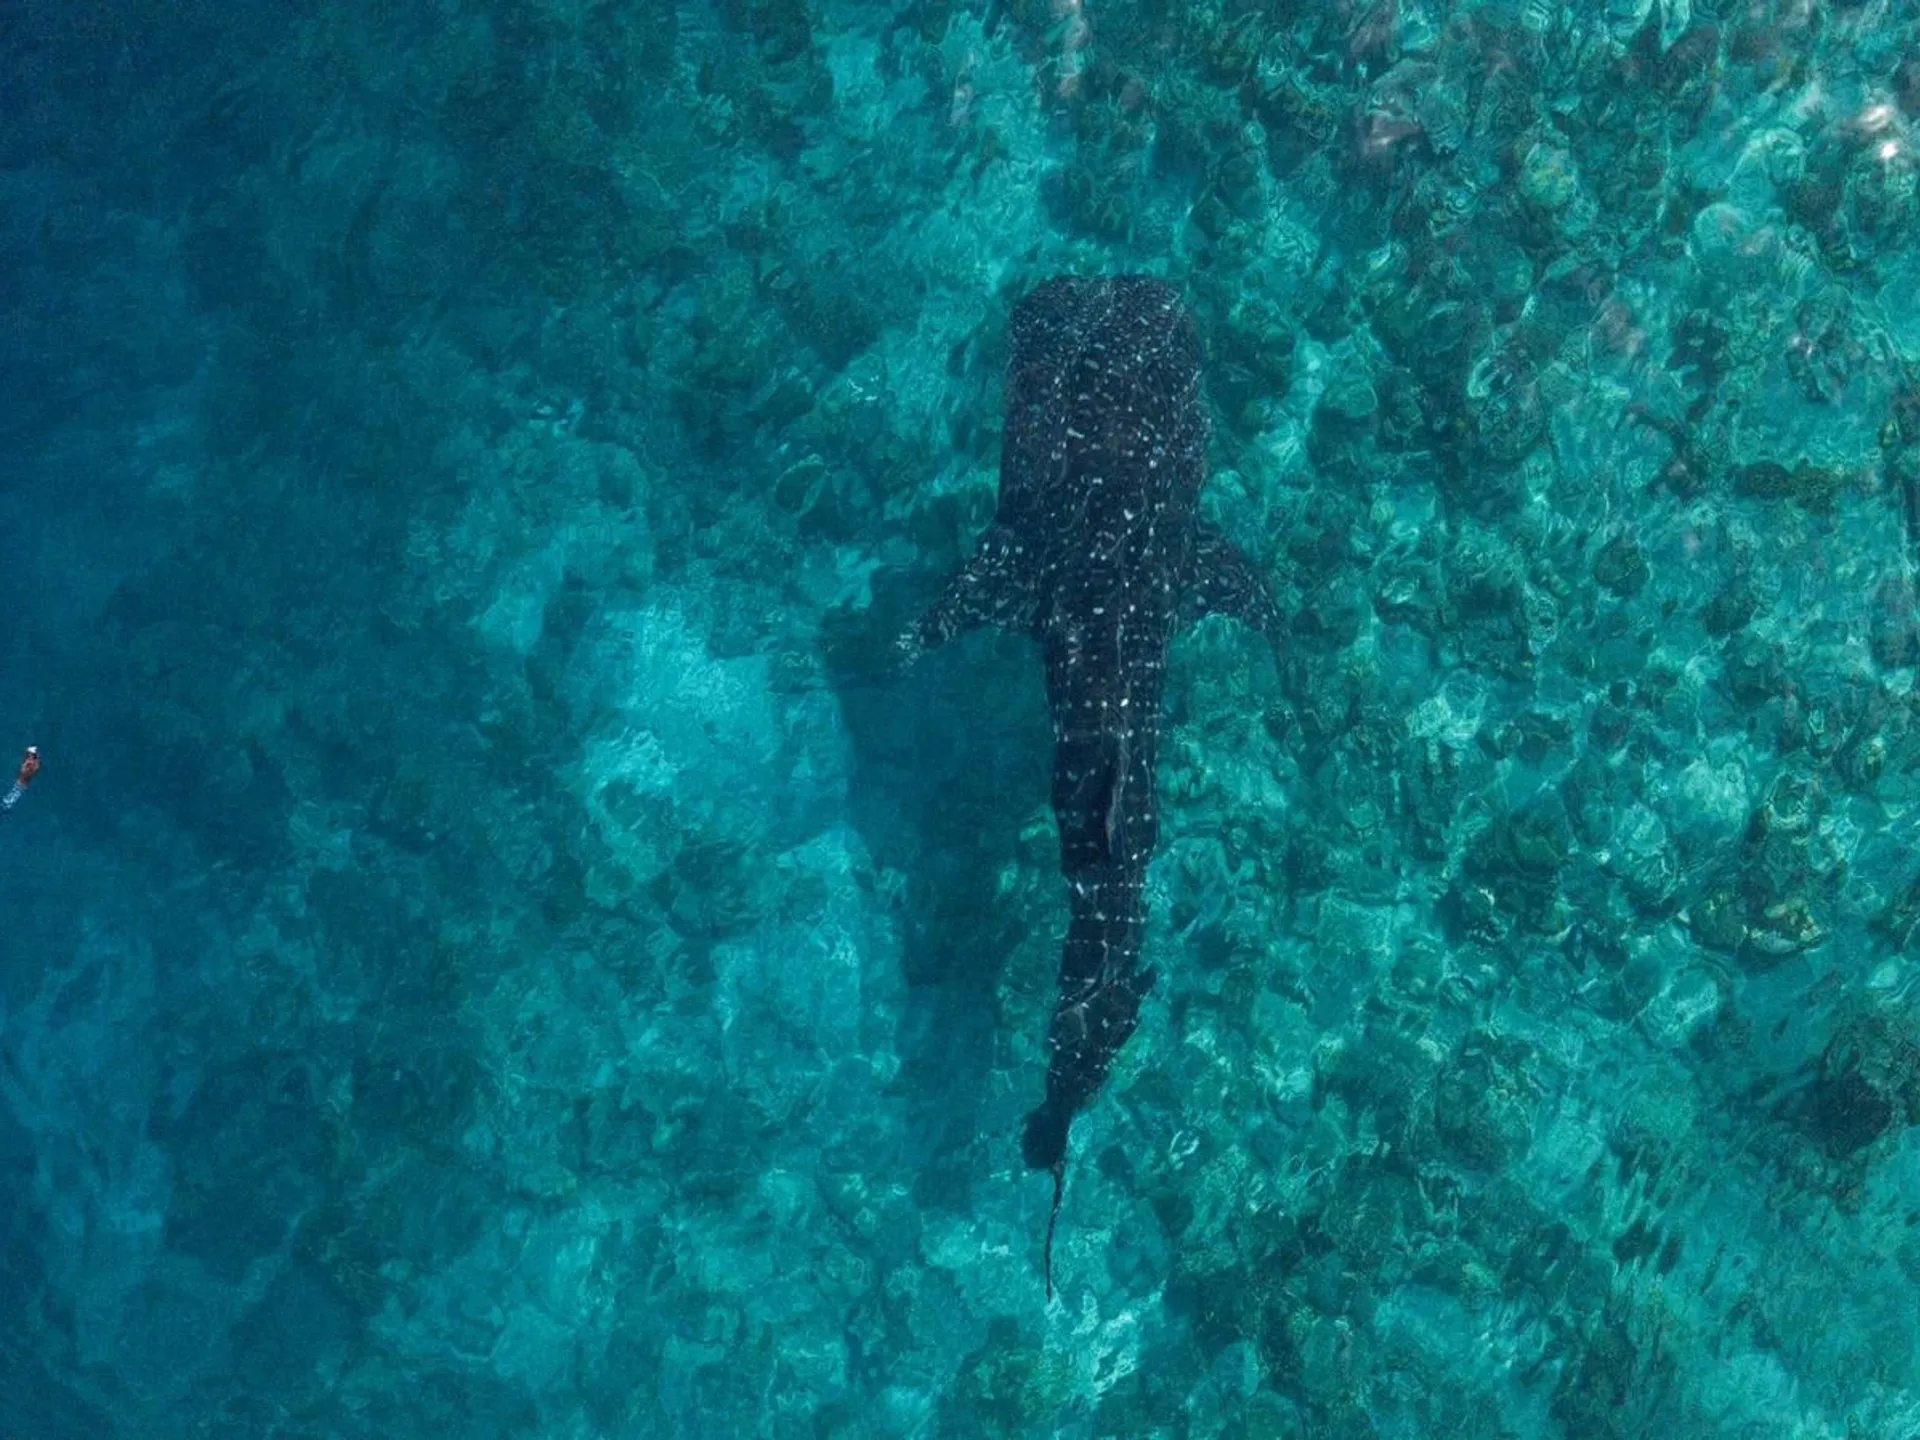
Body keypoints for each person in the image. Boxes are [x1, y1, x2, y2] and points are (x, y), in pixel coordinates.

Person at [2, 746, 39, 811]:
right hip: (21, 782)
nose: (28, 755)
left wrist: (25, 765)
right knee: (11, 797)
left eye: (30, 754)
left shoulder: (31, 764)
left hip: (22, 783)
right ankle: (5, 807)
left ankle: (5, 809)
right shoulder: (33, 763)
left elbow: (23, 771)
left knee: (12, 798)